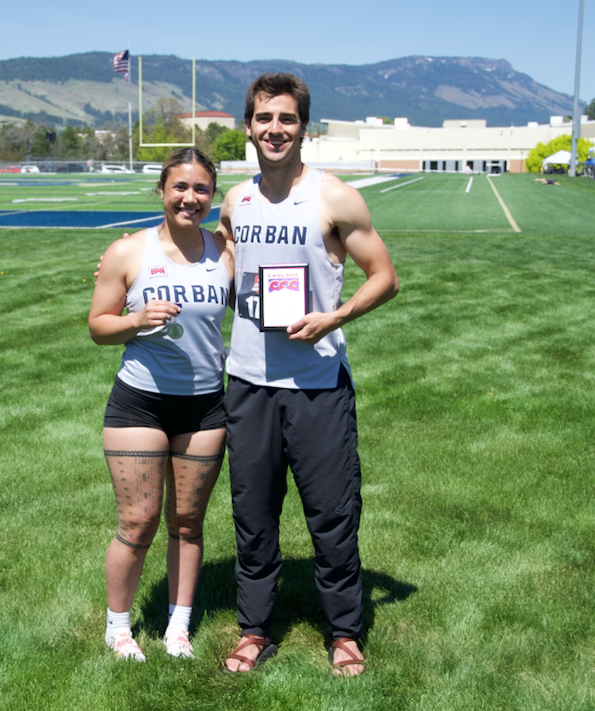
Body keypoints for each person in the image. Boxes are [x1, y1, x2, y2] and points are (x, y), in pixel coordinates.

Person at [216, 73, 399, 676]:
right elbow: (222, 266)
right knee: (254, 512)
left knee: (332, 514)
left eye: (287, 119)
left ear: (304, 128)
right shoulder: (236, 201)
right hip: (248, 381)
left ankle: (345, 631)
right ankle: (254, 629)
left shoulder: (335, 197)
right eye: (264, 119)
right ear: (249, 127)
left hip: (318, 383)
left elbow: (384, 277)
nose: (275, 130)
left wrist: (336, 315)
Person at [88, 148, 233, 662]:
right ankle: (119, 627)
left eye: (200, 190)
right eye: (180, 188)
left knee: (189, 522)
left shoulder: (223, 252)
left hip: (205, 406)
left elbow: (258, 304)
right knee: (139, 520)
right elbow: (97, 326)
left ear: (211, 196)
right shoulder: (129, 251)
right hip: (140, 404)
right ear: (162, 191)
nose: (189, 198)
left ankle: (178, 628)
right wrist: (135, 319)